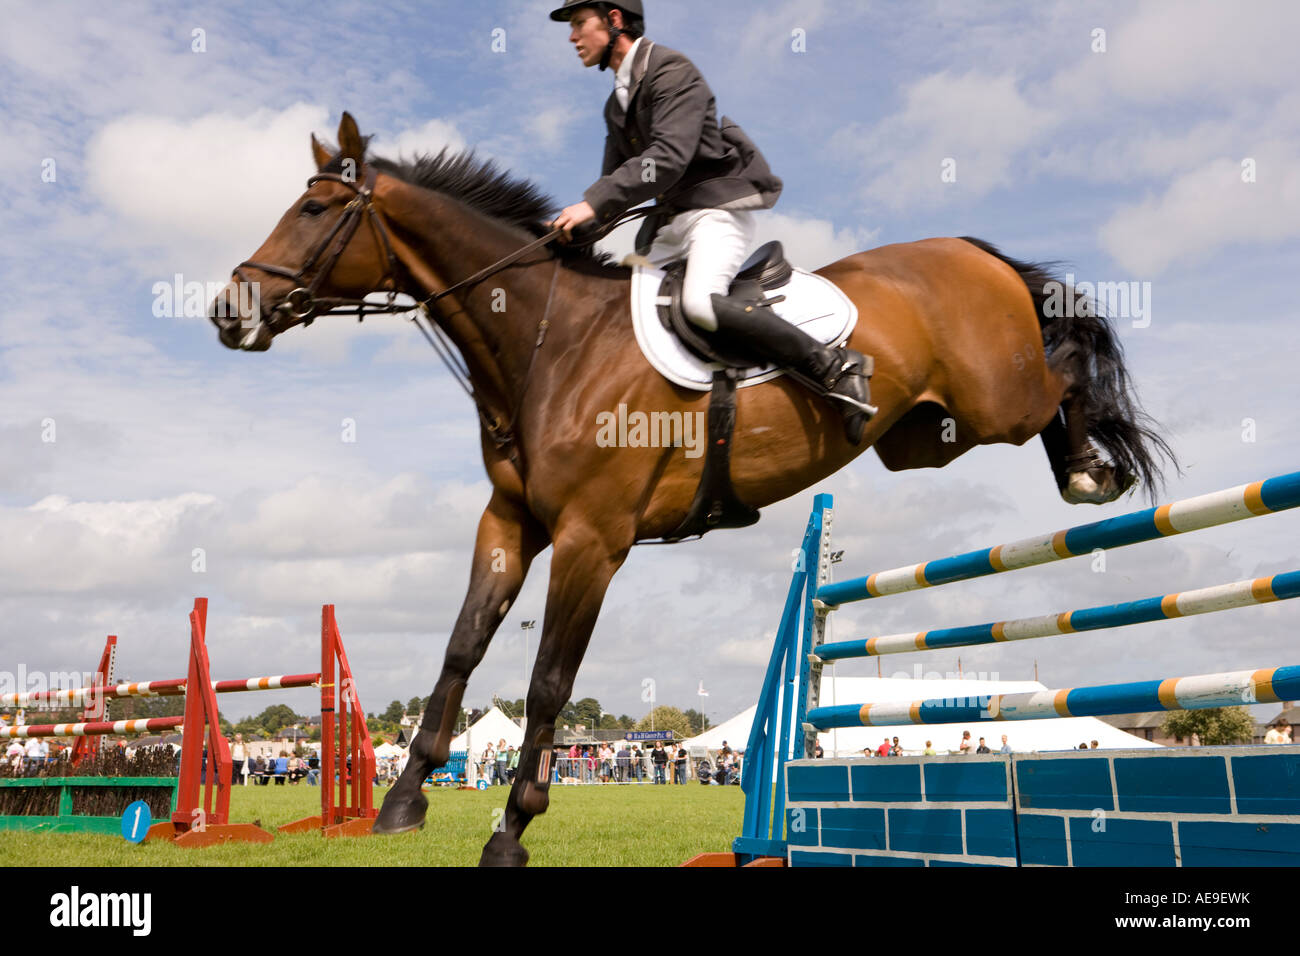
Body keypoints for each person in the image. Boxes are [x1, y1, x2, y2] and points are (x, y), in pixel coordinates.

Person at [547, 0, 872, 443]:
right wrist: (573, 230)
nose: (572, 36)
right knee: (619, 313)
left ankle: (833, 367)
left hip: (713, 215)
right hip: (667, 229)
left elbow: (667, 158)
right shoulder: (615, 106)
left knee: (700, 303)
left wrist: (592, 202)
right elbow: (613, 187)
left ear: (614, 19)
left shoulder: (671, 69)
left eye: (579, 23)